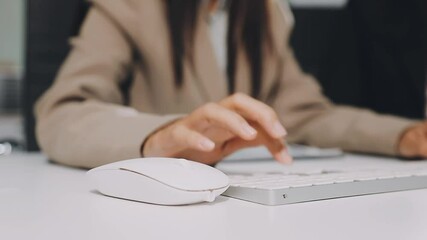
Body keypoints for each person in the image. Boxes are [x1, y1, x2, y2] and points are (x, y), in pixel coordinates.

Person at [35, 0, 426, 169]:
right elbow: (63, 112)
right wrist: (159, 136)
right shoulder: (128, 9)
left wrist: (405, 136)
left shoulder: (265, 15)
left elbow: (303, 115)